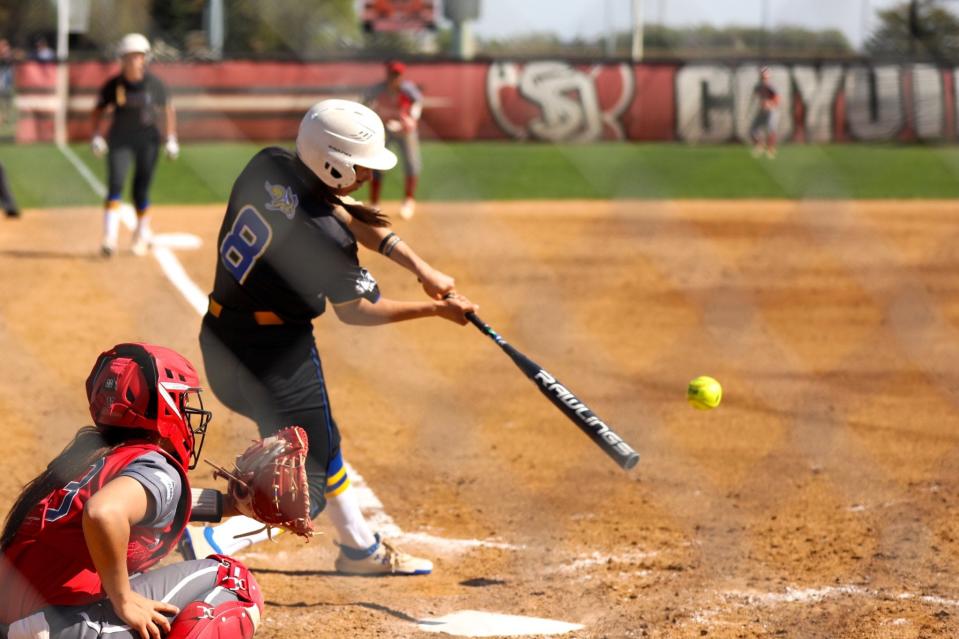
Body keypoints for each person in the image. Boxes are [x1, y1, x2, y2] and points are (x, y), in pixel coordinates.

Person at [181, 99, 477, 576]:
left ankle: (360, 549)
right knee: (305, 489)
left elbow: (341, 212)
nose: (366, 175)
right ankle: (207, 535)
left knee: (321, 439)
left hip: (221, 341)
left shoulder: (270, 165)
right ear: (333, 164)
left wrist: (421, 268)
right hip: (280, 360)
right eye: (359, 166)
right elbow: (359, 311)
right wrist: (438, 310)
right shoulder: (324, 239)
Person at [0, 343, 264, 639]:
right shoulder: (155, 466)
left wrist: (230, 504)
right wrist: (123, 599)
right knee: (233, 579)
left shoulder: (88, 457)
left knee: (122, 571)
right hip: (62, 627)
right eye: (182, 401)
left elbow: (147, 502)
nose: (189, 414)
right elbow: (103, 512)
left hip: (17, 620)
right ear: (165, 405)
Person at [90, 33, 179, 257]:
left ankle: (140, 235)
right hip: (120, 139)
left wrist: (171, 138)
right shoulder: (114, 85)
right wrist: (97, 136)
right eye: (129, 57)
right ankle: (109, 238)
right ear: (122, 59)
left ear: (145, 58)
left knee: (141, 189)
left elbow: (168, 109)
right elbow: (98, 111)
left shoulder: (154, 84)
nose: (134, 61)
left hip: (147, 141)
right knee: (116, 184)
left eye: (138, 56)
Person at [364, 61, 423, 220]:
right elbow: (366, 103)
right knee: (376, 162)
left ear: (402, 76)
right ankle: (374, 204)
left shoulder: (408, 89)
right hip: (384, 128)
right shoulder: (378, 89)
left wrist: (411, 119)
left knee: (412, 163)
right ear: (387, 74)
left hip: (405, 129)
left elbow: (417, 103)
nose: (394, 78)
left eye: (397, 75)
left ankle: (409, 201)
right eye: (392, 74)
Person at [749, 66, 780, 159]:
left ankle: (771, 149)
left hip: (771, 111)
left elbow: (777, 100)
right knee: (753, 130)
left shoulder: (771, 87)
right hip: (762, 110)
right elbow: (754, 96)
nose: (763, 79)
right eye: (762, 77)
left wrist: (770, 104)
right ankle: (760, 145)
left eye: (765, 77)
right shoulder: (758, 86)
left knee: (771, 129)